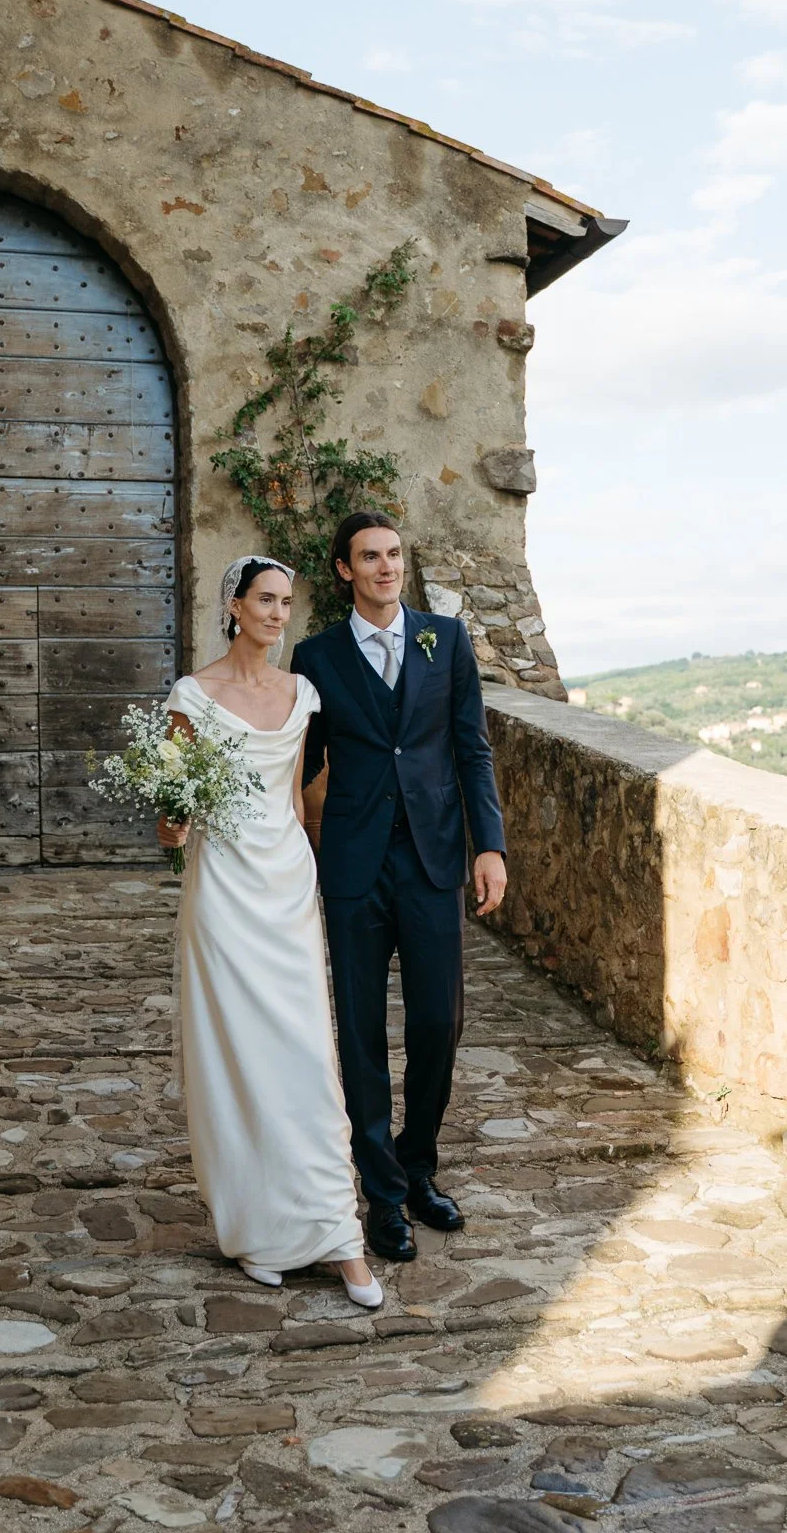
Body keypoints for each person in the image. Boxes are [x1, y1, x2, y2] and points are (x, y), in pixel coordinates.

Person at [158, 554, 382, 1308]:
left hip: (286, 888)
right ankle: (258, 1229)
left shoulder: (302, 693)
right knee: (239, 1059)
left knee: (308, 1059)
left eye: (287, 603)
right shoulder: (192, 695)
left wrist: (323, 877)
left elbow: (293, 800)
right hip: (221, 889)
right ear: (234, 607)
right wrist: (172, 812)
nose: (279, 615)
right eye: (265, 601)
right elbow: (169, 826)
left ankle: (340, 1237)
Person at [291, 511, 507, 1264]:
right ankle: (382, 1195)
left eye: (393, 554)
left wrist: (492, 847)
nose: (387, 568)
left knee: (438, 1023)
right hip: (352, 865)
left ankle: (419, 1166)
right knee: (360, 1034)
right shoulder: (314, 656)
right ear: (344, 570)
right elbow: (298, 762)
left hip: (434, 859)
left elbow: (472, 749)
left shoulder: (443, 640)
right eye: (369, 558)